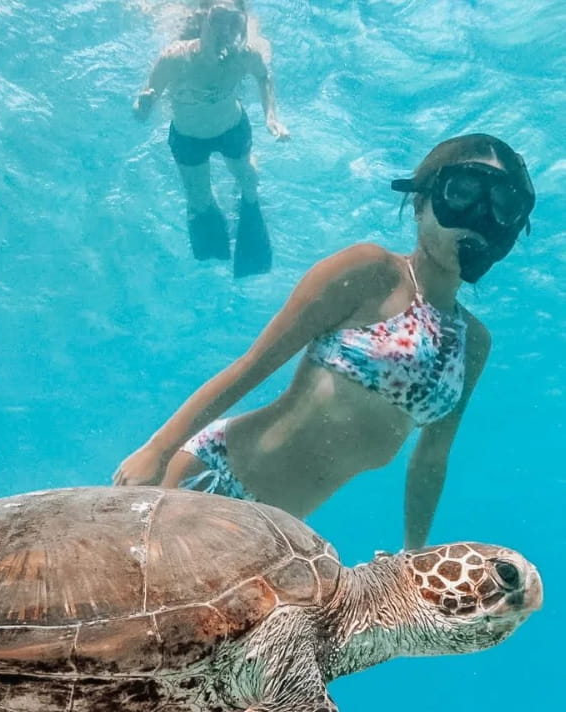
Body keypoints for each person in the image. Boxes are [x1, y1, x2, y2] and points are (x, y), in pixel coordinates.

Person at [114, 133, 535, 549]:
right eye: (463, 193)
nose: (479, 217)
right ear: (421, 202)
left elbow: (431, 457)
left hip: (279, 531)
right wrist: (159, 448)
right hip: (215, 478)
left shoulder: (474, 343)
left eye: (503, 206)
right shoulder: (371, 270)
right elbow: (252, 366)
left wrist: (414, 552)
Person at [133, 0, 289, 276]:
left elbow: (264, 77)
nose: (225, 29)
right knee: (198, 198)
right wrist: (143, 106)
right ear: (203, 19)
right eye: (218, 19)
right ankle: (213, 225)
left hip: (232, 129)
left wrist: (271, 117)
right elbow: (144, 106)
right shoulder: (175, 58)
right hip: (188, 138)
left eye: (233, 22)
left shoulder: (245, 56)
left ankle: (248, 201)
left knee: (249, 181)